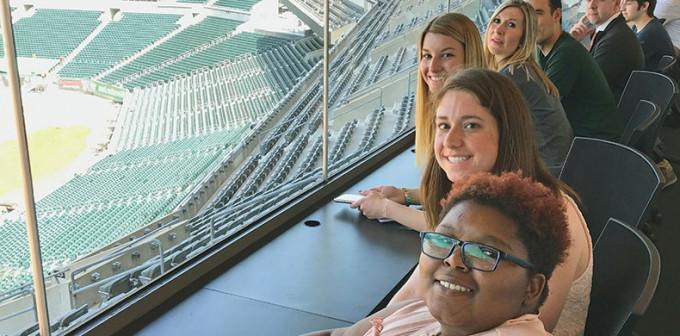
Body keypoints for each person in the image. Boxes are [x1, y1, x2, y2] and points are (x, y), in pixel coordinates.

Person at [356, 69, 592, 335]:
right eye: (443, 125)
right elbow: (410, 299)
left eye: (470, 125)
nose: (451, 140)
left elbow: (527, 325)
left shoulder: (551, 217)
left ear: (508, 132)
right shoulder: (469, 207)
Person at [321, 171, 570, 336]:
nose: (453, 259)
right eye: (444, 239)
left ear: (532, 288)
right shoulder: (423, 312)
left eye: (485, 252)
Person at [353, 13, 486, 223]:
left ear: (469, 57)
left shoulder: (480, 117)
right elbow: (456, 193)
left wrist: (386, 208)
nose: (432, 68)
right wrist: (404, 195)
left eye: (447, 55)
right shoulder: (445, 112)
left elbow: (460, 227)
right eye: (426, 56)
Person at [484, 0, 573, 168]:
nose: (499, 29)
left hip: (549, 177)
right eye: (496, 21)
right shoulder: (524, 69)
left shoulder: (510, 78)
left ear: (523, 39)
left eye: (511, 25)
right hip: (562, 167)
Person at [528, 0, 622, 140]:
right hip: (581, 136)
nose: (530, 22)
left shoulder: (567, 53)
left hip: (593, 143)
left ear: (557, 15)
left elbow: (540, 109)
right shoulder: (544, 49)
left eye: (537, 13)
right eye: (526, 15)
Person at [569, 0, 644, 103]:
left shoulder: (615, 40)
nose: (591, 5)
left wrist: (568, 45)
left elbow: (582, 86)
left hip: (602, 113)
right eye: (588, 0)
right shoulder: (612, 31)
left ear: (617, 4)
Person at [621, 0, 676, 70]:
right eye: (622, 3)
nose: (622, 8)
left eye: (628, 4)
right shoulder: (644, 26)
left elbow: (626, 62)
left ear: (644, 6)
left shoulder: (649, 34)